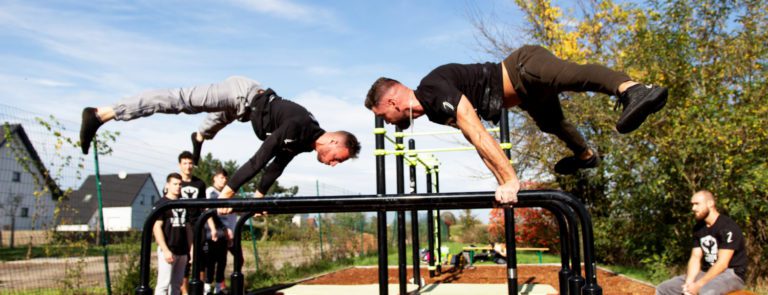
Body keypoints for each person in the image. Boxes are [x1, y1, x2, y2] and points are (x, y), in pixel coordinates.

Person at [365, 45, 667, 204]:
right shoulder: (433, 111)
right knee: (553, 124)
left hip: (524, 68)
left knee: (574, 76)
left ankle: (635, 90)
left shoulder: (431, 89)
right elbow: (477, 144)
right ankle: (586, 156)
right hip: (525, 95)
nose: (387, 124)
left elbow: (479, 132)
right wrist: (502, 183)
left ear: (392, 103)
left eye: (382, 117)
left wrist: (511, 180)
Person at [79, 76, 360, 208]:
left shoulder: (307, 139)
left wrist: (259, 194)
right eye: (339, 157)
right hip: (240, 94)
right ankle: (102, 113)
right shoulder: (299, 124)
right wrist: (230, 189)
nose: (334, 164)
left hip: (242, 110)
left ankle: (199, 138)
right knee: (181, 101)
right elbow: (263, 155)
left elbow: (277, 166)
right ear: (334, 139)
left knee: (210, 128)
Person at [656, 190, 747, 295]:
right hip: (706, 272)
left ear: (710, 204)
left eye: (697, 204)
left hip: (731, 274)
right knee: (664, 288)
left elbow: (722, 264)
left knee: (706, 292)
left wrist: (698, 285)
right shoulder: (699, 228)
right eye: (692, 204)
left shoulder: (728, 227)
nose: (693, 208)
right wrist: (689, 283)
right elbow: (695, 257)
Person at [176, 151, 209, 294]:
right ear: (180, 165)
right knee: (185, 260)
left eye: (190, 163)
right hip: (181, 225)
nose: (188, 166)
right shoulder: (176, 183)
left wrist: (211, 226)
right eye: (185, 163)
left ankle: (199, 290)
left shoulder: (200, 183)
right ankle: (184, 291)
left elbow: (204, 206)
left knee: (200, 260)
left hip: (197, 224)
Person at [153, 173, 189, 295]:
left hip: (182, 250)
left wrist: (190, 248)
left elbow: (188, 227)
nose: (178, 187)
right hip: (169, 248)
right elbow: (157, 227)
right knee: (163, 284)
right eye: (175, 184)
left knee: (177, 284)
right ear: (167, 185)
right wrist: (165, 249)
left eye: (180, 184)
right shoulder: (161, 203)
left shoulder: (184, 203)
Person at [204, 169, 237, 294]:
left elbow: (228, 216)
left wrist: (229, 231)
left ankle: (218, 287)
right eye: (221, 177)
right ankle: (207, 287)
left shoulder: (226, 194)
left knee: (222, 261)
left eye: (225, 178)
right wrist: (213, 229)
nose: (224, 180)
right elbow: (209, 211)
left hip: (224, 232)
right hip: (212, 232)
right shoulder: (210, 192)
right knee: (210, 261)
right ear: (215, 178)